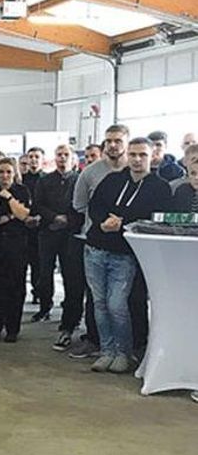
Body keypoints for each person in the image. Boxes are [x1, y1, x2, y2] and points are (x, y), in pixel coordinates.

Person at [85, 137, 171, 374]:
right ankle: (107, 351)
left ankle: (123, 352)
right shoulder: (112, 179)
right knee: (99, 303)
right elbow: (95, 205)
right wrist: (103, 222)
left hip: (125, 254)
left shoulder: (160, 187)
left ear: (152, 156)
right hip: (96, 248)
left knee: (117, 304)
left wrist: (124, 222)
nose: (137, 159)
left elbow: (157, 218)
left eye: (142, 155)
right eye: (132, 154)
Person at [69, 124, 129, 360]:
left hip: (127, 246)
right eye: (109, 141)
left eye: (118, 140)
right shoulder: (90, 173)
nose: (112, 145)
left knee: (124, 301)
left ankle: (128, 348)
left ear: (126, 142)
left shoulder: (134, 171)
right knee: (97, 299)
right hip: (96, 243)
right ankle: (96, 342)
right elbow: (79, 204)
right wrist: (100, 220)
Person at [32, 145, 82, 333]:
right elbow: (38, 204)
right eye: (59, 154)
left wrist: (68, 220)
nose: (62, 158)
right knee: (45, 273)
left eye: (66, 154)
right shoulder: (45, 180)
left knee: (71, 275)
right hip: (48, 231)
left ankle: (71, 315)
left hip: (70, 234)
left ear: (73, 158)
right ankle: (44, 307)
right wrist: (54, 217)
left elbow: (82, 205)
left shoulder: (79, 180)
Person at [0, 158, 32, 342]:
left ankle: (12, 328)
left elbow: (24, 215)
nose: (5, 176)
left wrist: (9, 199)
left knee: (15, 286)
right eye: (1, 172)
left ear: (14, 173)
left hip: (17, 244)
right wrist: (9, 215)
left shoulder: (22, 191)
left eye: (8, 172)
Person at [22, 147, 44, 304]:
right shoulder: (21, 180)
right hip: (22, 227)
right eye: (31, 157)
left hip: (41, 227)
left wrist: (39, 217)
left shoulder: (47, 179)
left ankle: (39, 293)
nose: (33, 160)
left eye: (37, 156)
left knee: (39, 264)